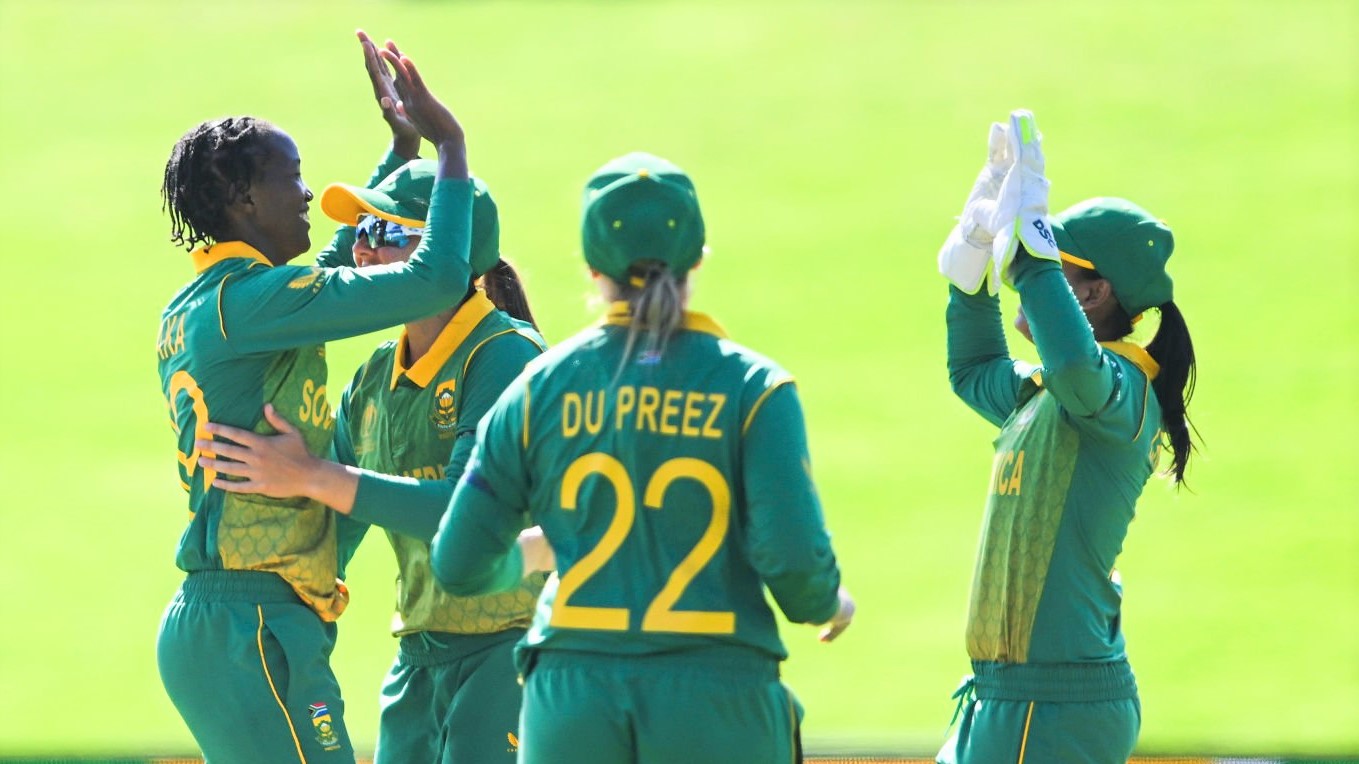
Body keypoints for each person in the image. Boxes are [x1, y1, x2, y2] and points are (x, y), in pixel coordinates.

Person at [425, 151, 857, 764]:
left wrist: (541, 550)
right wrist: (828, 602)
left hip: (570, 699)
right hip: (718, 695)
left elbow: (459, 563)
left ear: (592, 268)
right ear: (698, 259)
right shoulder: (756, 389)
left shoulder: (535, 388)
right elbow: (793, 563)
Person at [155, 32, 476, 763]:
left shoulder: (213, 299)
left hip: (233, 622)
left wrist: (398, 152)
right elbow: (430, 282)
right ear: (242, 197)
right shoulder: (254, 302)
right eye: (292, 177)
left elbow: (335, 264)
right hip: (253, 625)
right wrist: (450, 147)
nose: (306, 194)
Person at [196, 165, 552, 762]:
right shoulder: (374, 377)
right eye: (362, 227)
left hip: (507, 651)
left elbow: (463, 514)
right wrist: (238, 605)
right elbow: (330, 532)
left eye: (387, 230)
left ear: (447, 252)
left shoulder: (505, 354)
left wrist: (312, 474)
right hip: (418, 656)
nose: (361, 246)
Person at [935, 111, 1198, 763]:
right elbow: (972, 373)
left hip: (1053, 707)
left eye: (1058, 265)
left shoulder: (1117, 393)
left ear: (1093, 294)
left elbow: (1079, 367)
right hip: (1008, 699)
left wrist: (1027, 256)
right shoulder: (1045, 393)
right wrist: (970, 269)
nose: (1035, 272)